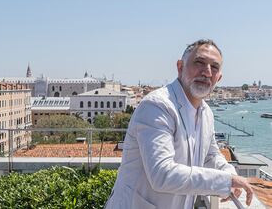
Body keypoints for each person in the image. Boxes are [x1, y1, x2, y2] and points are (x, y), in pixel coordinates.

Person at [106, 39, 253, 209]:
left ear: (218, 78)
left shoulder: (206, 113)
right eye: (199, 62)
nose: (207, 72)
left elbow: (211, 155)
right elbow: (162, 174)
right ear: (180, 67)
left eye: (214, 67)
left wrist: (229, 172)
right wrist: (226, 182)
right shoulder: (157, 106)